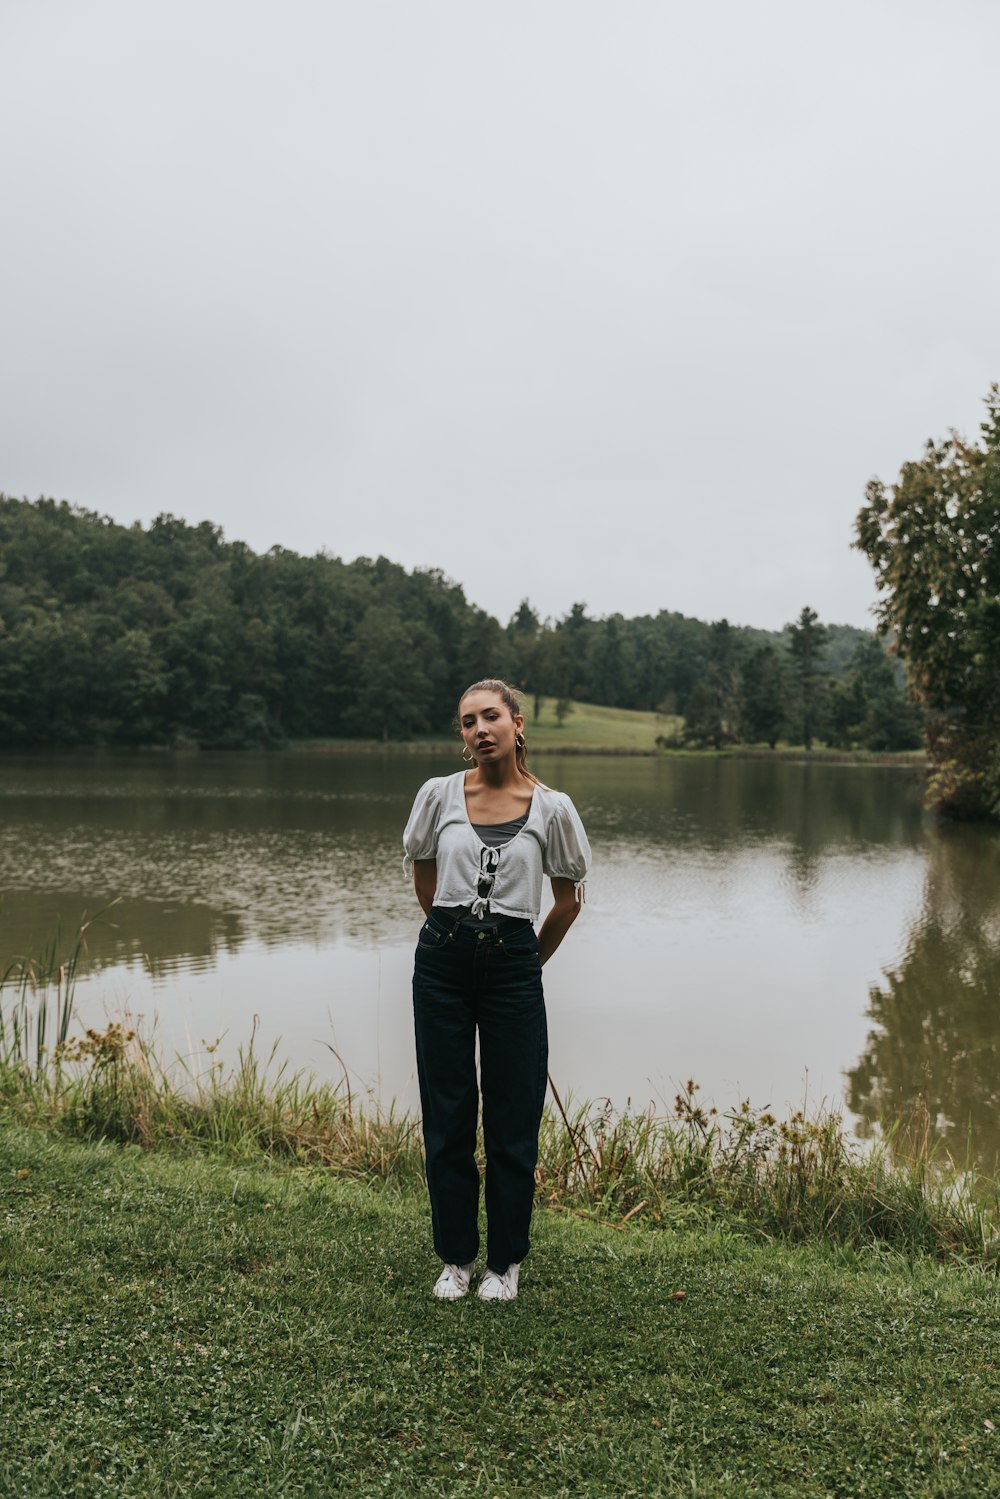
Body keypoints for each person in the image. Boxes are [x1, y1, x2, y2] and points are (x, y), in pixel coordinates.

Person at [402, 678, 591, 1302]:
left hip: (513, 966)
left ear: (516, 723)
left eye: (490, 717)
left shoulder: (553, 809)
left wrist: (525, 962)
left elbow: (567, 902)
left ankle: (503, 1265)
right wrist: (449, 935)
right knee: (448, 1114)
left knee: (513, 1120)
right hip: (442, 966)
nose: (479, 730)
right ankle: (457, 1259)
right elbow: (424, 876)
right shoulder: (438, 797)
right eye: (466, 722)